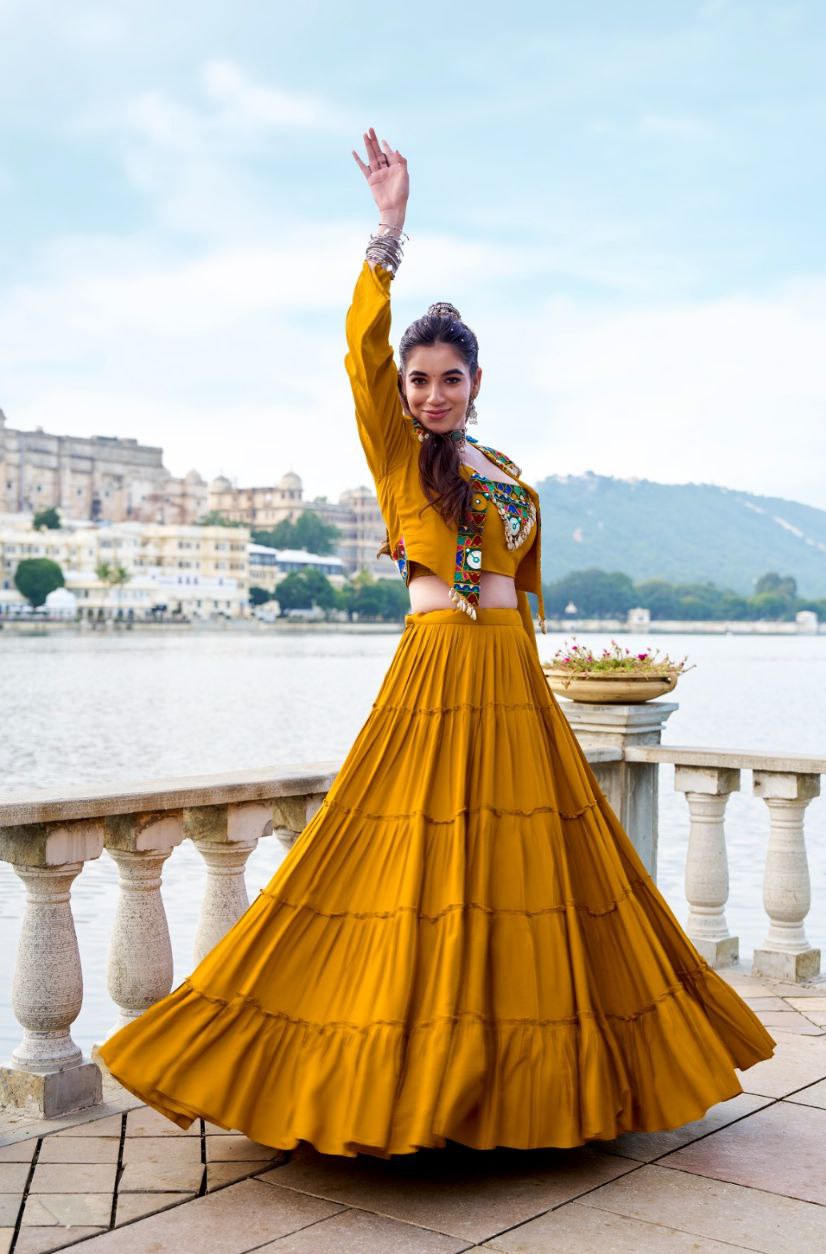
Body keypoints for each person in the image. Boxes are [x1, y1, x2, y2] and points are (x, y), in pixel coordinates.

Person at [98, 128, 776, 1160]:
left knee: (528, 878)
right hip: (437, 667)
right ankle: (389, 1079)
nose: (428, 393)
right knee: (407, 871)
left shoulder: (499, 465)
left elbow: (519, 571)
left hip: (510, 672)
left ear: (475, 380)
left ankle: (520, 1093)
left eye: (446, 378)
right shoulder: (394, 449)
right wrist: (386, 231)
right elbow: (358, 350)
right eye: (417, 379)